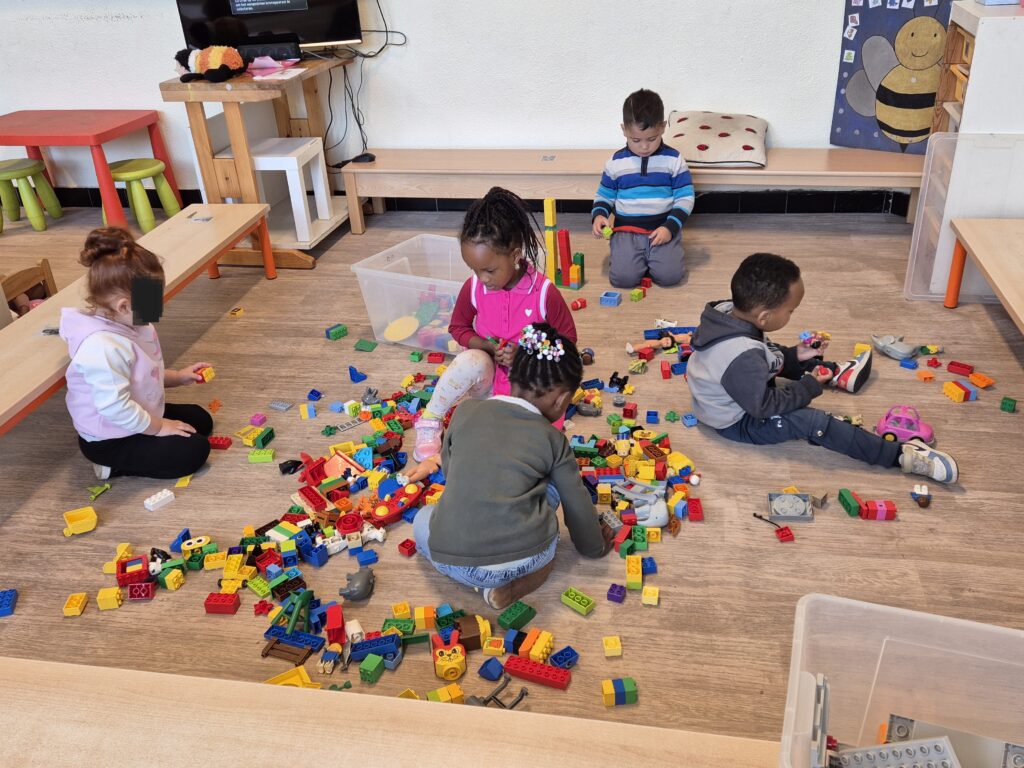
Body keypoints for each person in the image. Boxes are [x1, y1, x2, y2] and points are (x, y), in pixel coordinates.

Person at [686, 252, 958, 483]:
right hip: (738, 421)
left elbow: (762, 356)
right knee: (812, 422)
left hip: (737, 385)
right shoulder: (743, 355)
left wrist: (796, 355)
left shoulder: (729, 313)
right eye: (791, 310)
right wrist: (809, 387)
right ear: (764, 316)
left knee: (778, 353)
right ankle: (900, 456)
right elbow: (764, 406)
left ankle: (836, 372)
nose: (792, 314)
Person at [412, 324, 614, 610]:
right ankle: (525, 580)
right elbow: (576, 504)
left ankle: (479, 582)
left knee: (423, 519)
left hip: (451, 560)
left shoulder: (465, 411)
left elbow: (450, 471)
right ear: (561, 399)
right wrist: (595, 547)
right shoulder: (553, 439)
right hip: (527, 558)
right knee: (553, 485)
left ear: (511, 373)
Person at [412, 187, 577, 461]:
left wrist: (526, 353)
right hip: (489, 384)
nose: (482, 278)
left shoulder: (544, 293)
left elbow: (567, 342)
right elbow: (458, 327)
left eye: (489, 270)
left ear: (514, 255)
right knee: (470, 361)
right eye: (474, 270)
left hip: (529, 388)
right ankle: (430, 419)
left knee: (524, 450)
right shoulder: (475, 287)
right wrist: (487, 347)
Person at [59, 227, 214, 481]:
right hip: (109, 438)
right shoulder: (102, 347)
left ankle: (150, 434)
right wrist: (160, 427)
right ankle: (113, 467)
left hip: (132, 414)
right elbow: (116, 408)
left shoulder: (134, 323)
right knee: (195, 451)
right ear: (123, 306)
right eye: (154, 301)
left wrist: (178, 376)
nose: (160, 307)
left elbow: (145, 374)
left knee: (201, 420)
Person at [591, 88, 695, 289]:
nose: (644, 147)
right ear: (624, 130)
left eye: (652, 139)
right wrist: (599, 215)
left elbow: (685, 197)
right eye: (636, 140)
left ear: (663, 127)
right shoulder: (615, 163)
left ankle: (656, 254)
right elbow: (605, 195)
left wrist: (670, 227)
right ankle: (632, 257)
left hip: (662, 229)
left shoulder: (674, 160)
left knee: (670, 277)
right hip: (626, 231)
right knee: (623, 280)